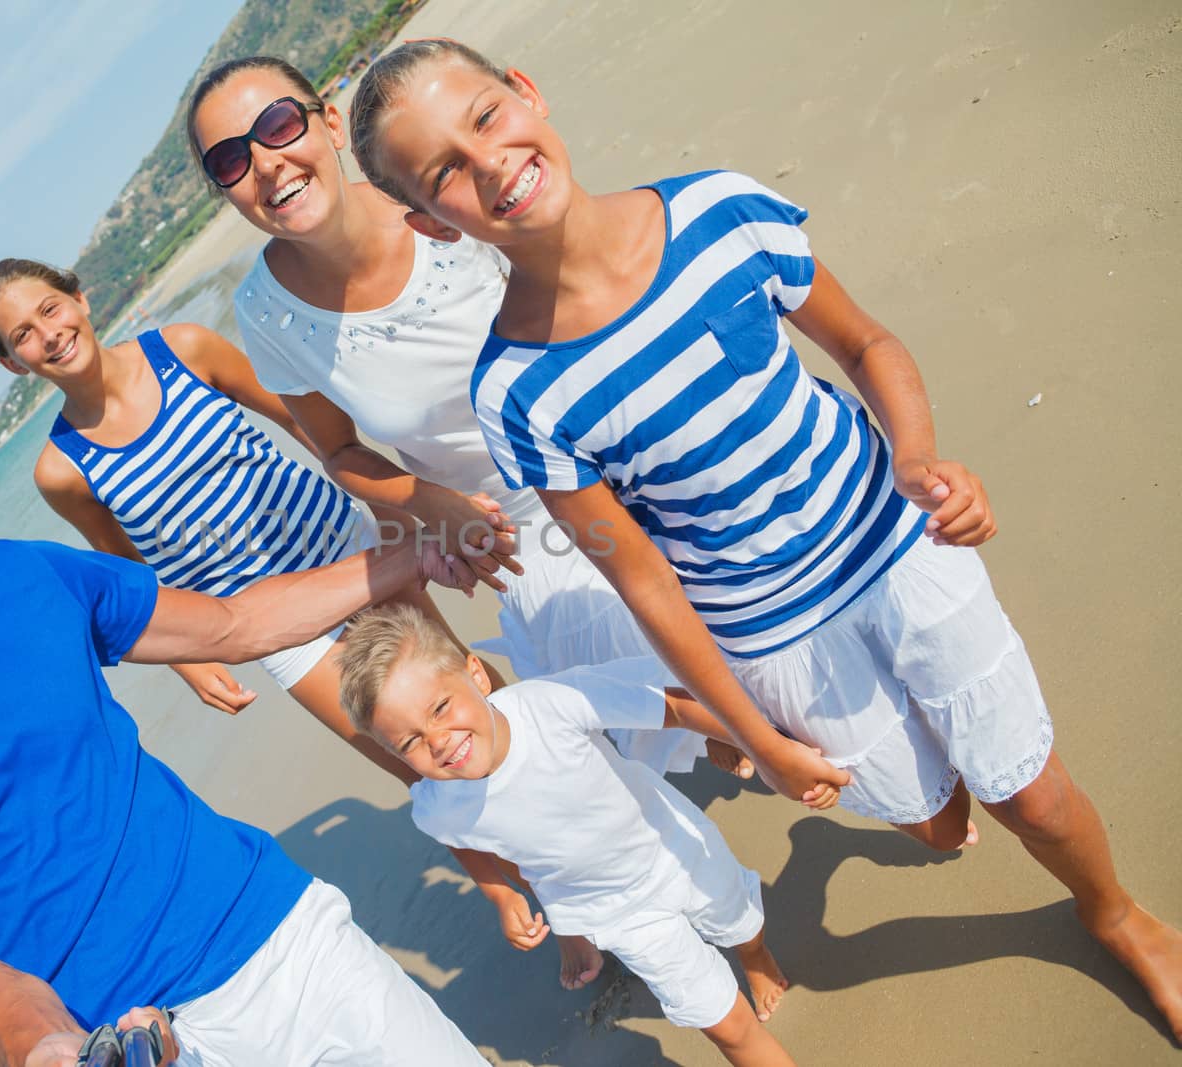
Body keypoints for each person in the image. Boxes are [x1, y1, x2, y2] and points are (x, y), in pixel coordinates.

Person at [345, 38, 1182, 1038]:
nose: (487, 164)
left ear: (526, 92)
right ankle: (937, 783)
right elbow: (646, 580)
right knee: (936, 817)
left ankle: (1115, 913)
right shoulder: (516, 390)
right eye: (443, 172)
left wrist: (920, 459)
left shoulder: (718, 214)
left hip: (896, 544)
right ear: (425, 220)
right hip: (772, 631)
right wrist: (755, 738)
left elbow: (866, 343)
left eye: (484, 117)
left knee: (1032, 799)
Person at [0, 323, 491, 1066]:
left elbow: (232, 623)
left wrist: (415, 554)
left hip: (282, 936)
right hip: (124, 1041)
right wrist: (47, 1047)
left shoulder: (25, 575)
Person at [185, 57, 767, 989]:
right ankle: (655, 907)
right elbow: (338, 453)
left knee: (752, 669)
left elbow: (581, 267)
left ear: (329, 122)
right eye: (227, 159)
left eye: (280, 126)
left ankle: (763, 755)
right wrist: (431, 507)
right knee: (584, 742)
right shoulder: (264, 311)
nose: (265, 162)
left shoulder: (437, 191)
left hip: (609, 455)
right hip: (508, 533)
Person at [0, 257, 500, 784]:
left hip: (353, 552)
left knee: (477, 705)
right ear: (16, 362)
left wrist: (393, 514)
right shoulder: (61, 470)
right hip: (272, 626)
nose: (50, 334)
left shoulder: (181, 350)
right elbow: (126, 570)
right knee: (421, 774)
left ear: (79, 300)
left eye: (50, 309)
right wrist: (188, 659)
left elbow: (304, 424)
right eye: (24, 334)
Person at [337, 603, 799, 1067]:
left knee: (740, 922)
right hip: (618, 915)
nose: (437, 740)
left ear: (476, 676)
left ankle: (755, 957)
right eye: (411, 742)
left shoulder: (549, 706)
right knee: (727, 1026)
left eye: (440, 708)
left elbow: (672, 704)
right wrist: (502, 895)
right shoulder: (438, 804)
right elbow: (463, 838)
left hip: (675, 848)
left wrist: (759, 746)